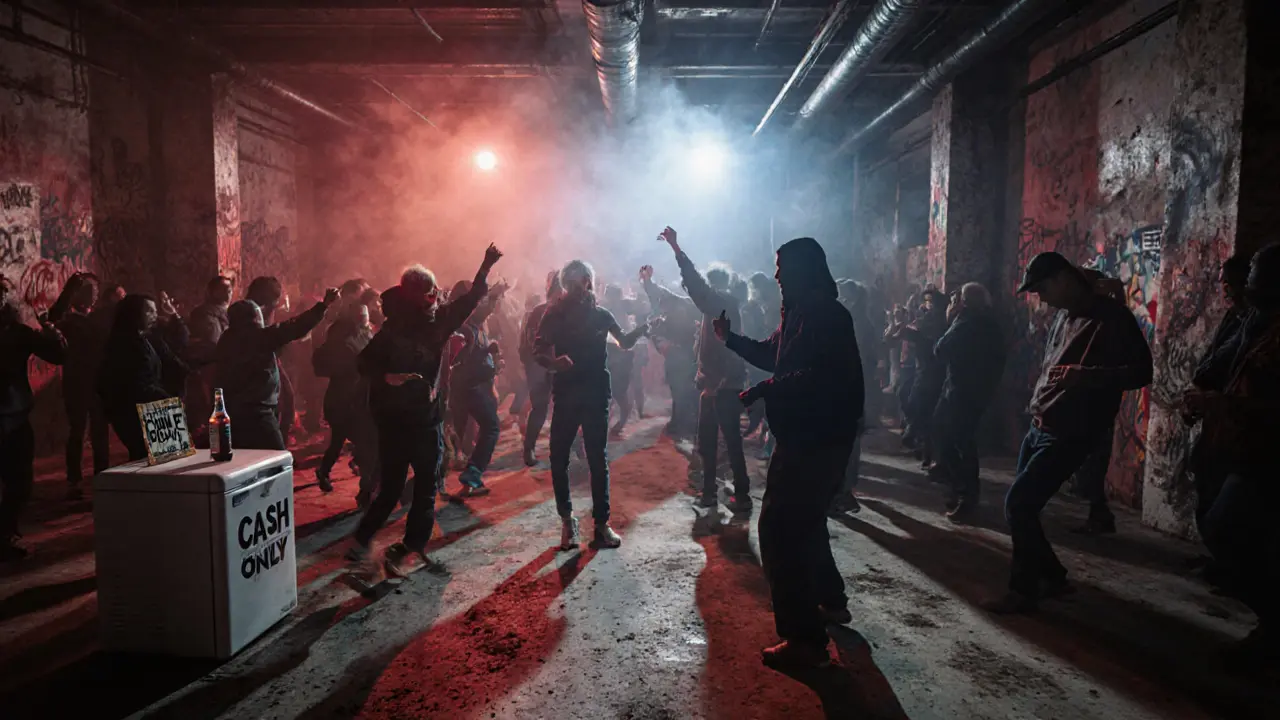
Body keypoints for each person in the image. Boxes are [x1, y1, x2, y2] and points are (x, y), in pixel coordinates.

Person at [715, 237, 863, 670]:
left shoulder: (827, 315)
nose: (777, 276)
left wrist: (763, 390)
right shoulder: (801, 313)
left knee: (780, 531)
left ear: (802, 269)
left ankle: (804, 640)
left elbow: (818, 377)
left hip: (815, 440)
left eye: (782, 269)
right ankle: (832, 601)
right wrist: (732, 341)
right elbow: (773, 354)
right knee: (807, 523)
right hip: (808, 437)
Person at [989, 252, 1152, 614]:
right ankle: (1051, 578)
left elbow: (1141, 373)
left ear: (1064, 279)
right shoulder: (1065, 316)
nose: (1042, 299)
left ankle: (1026, 588)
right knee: (1022, 509)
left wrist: (1089, 376)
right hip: (1041, 423)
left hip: (1072, 430)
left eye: (1043, 289)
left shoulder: (1112, 318)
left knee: (1019, 504)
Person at [349, 245, 501, 578]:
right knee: (425, 485)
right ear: (425, 295)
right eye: (432, 291)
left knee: (392, 486)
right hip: (418, 419)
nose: (437, 296)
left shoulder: (395, 325)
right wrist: (486, 265)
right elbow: (473, 297)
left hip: (394, 419)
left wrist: (384, 376)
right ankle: (410, 548)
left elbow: (364, 363)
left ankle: (363, 540)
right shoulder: (431, 323)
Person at [1187, 243, 1280, 668]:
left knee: (1226, 529)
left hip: (1264, 455)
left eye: (1258, 275)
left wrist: (1222, 405)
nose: (1247, 285)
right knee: (1218, 523)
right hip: (1235, 444)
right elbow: (1221, 364)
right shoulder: (1255, 323)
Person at [535, 260, 649, 551]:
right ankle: (567, 520)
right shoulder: (555, 314)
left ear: (589, 282)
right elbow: (537, 350)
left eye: (581, 280)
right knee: (559, 457)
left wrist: (644, 329)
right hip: (567, 393)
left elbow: (623, 342)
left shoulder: (601, 315)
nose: (577, 286)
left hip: (596, 393)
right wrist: (553, 363)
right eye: (570, 281)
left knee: (597, 459)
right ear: (565, 283)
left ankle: (601, 524)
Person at [656, 226, 751, 513]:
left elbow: (731, 349)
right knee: (714, 440)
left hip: (722, 385)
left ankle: (734, 494)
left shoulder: (719, 304)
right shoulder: (722, 306)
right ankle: (715, 492)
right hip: (717, 383)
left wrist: (676, 248)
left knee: (724, 440)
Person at [214, 289, 338, 451]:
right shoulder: (257, 338)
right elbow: (294, 327)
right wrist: (323, 306)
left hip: (233, 410)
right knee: (277, 460)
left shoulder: (226, 339)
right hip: (257, 413)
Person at [1, 276, 67, 560]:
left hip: (13, 416)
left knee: (20, 481)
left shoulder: (18, 332)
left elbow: (57, 355)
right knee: (17, 480)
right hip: (12, 414)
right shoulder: (17, 331)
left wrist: (51, 331)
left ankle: (7, 533)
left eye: (4, 292)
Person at [932, 282, 1005, 521]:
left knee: (959, 443)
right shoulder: (990, 324)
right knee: (952, 437)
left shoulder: (966, 323)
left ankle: (965, 495)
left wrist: (953, 319)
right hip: (972, 392)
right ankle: (958, 488)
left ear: (965, 303)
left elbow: (940, 349)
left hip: (961, 392)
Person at [97, 293, 189, 461]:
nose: (154, 316)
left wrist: (174, 316)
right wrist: (168, 400)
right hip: (140, 413)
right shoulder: (125, 344)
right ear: (133, 313)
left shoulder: (146, 337)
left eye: (155, 311)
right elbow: (137, 384)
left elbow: (179, 344)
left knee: (167, 464)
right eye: (149, 311)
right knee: (160, 466)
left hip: (154, 409)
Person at [47, 272, 109, 500]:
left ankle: (102, 477)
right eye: (87, 290)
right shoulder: (70, 320)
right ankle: (74, 480)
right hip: (77, 382)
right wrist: (69, 289)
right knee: (77, 431)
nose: (92, 295)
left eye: (94, 290)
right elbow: (52, 317)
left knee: (100, 432)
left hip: (98, 382)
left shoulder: (98, 318)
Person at [448, 278, 511, 496]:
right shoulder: (464, 327)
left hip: (475, 387)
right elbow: (456, 361)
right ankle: (469, 476)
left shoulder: (475, 325)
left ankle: (467, 481)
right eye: (479, 298)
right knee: (490, 427)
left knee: (470, 435)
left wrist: (490, 355)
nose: (484, 303)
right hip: (468, 389)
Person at [313, 298, 377, 504]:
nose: (364, 320)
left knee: (341, 439)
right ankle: (365, 489)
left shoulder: (364, 335)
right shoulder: (344, 342)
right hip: (345, 400)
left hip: (353, 399)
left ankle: (325, 471)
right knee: (363, 443)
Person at [639, 265, 699, 438]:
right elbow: (655, 292)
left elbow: (692, 335)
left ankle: (684, 424)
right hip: (677, 357)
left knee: (684, 389)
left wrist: (674, 345)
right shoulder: (676, 307)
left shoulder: (687, 305)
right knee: (677, 389)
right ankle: (680, 421)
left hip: (687, 356)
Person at [520, 272, 564, 466]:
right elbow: (529, 343)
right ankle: (528, 447)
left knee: (566, 407)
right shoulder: (538, 312)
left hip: (561, 366)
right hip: (540, 366)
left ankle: (572, 447)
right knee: (540, 408)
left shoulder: (567, 310)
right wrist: (535, 365)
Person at [186, 275, 234, 443]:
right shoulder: (203, 313)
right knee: (214, 409)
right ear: (212, 291)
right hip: (210, 365)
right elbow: (213, 340)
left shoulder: (232, 312)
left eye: (229, 288)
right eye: (223, 288)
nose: (228, 291)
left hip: (227, 364)